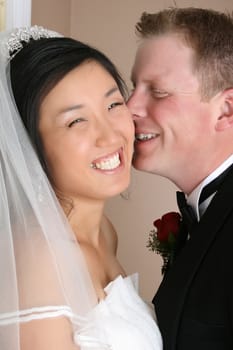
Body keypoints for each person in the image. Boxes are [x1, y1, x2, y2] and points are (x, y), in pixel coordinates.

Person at [0, 26, 162, 350]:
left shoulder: (104, 231)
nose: (110, 136)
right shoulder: (38, 261)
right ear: (30, 145)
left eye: (113, 105)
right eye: (76, 121)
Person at [127, 7, 233, 350]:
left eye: (157, 92)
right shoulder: (201, 212)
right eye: (134, 87)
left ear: (226, 110)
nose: (130, 107)